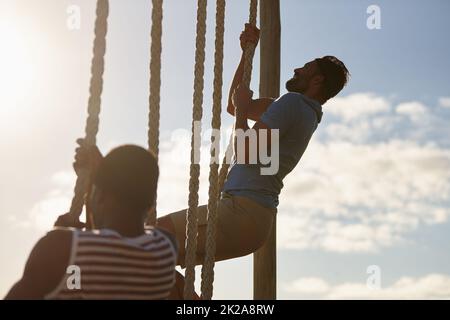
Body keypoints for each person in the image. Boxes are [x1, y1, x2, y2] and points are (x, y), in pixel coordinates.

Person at [157, 23, 350, 267]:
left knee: (148, 237)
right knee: (156, 261)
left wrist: (240, 114)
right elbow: (234, 104)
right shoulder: (306, 113)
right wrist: (246, 53)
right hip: (254, 222)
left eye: (305, 68)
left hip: (241, 211)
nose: (297, 69)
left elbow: (246, 151)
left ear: (317, 80)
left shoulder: (292, 103)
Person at [5, 143, 179, 299]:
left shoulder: (59, 248)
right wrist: (102, 179)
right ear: (150, 204)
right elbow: (110, 244)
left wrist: (63, 234)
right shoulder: (166, 248)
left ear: (101, 195)